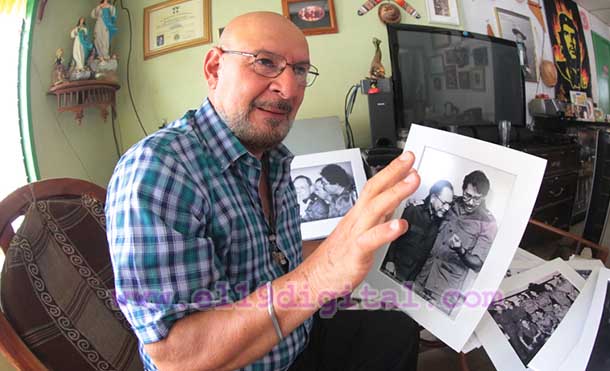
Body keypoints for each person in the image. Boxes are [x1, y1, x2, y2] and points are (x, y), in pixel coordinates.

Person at [105, 11, 421, 371]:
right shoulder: (159, 169)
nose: (288, 89)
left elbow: (274, 259)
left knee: (399, 328)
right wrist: (321, 275)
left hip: (296, 339)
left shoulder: (274, 159)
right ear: (213, 68)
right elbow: (178, 357)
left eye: (300, 70)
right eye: (265, 62)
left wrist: (360, 240)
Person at [415, 170, 498, 314]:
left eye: (477, 198)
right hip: (422, 274)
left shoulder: (488, 223)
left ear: (484, 197)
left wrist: (460, 250)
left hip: (444, 291)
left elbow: (477, 264)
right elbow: (430, 208)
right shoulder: (450, 202)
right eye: (468, 196)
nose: (471, 202)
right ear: (463, 189)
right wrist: (417, 205)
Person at [382, 180, 454, 282]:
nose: (447, 208)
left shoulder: (440, 223)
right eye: (444, 203)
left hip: (410, 280)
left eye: (449, 204)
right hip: (392, 270)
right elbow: (392, 237)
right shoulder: (412, 211)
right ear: (433, 198)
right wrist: (389, 260)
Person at [556, 13, 584, 91]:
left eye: (573, 36)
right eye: (566, 34)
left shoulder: (583, 75)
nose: (571, 42)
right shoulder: (559, 67)